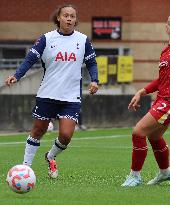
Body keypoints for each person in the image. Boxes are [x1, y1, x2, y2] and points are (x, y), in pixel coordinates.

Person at [5, 4, 99, 179]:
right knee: (38, 131)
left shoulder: (83, 40)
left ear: (76, 20)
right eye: (66, 15)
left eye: (72, 16)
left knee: (66, 135)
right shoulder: (46, 39)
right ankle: (25, 169)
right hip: (47, 94)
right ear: (59, 18)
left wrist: (94, 80)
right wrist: (16, 76)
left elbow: (92, 63)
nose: (69, 19)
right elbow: (30, 59)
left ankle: (50, 156)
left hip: (71, 96)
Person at [122, 11, 170, 187]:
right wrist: (142, 91)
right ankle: (165, 172)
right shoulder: (168, 48)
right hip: (163, 99)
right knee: (154, 137)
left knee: (138, 132)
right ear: (166, 26)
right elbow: (162, 80)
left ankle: (135, 176)